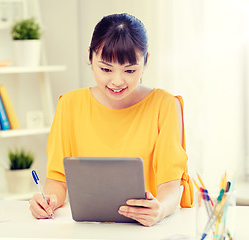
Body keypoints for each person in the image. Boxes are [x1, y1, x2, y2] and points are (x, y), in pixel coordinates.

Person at [29, 13, 193, 227]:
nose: (117, 81)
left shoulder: (165, 105)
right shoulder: (69, 105)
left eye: (130, 70)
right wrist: (48, 200)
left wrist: (159, 209)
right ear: (90, 56)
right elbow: (57, 180)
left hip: (146, 231)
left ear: (146, 61)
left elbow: (171, 187)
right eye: (106, 69)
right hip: (90, 230)